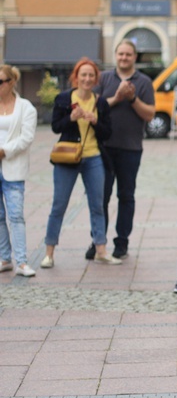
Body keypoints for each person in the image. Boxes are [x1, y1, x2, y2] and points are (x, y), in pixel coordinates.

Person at [42, 58, 121, 268]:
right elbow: (55, 127)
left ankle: (101, 250)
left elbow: (107, 133)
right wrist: (71, 118)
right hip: (67, 157)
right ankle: (49, 252)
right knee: (59, 205)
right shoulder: (63, 99)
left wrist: (95, 121)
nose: (87, 79)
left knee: (97, 205)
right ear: (75, 78)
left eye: (91, 75)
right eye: (83, 75)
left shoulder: (100, 102)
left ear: (96, 79)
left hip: (93, 157)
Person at [89, 39, 156, 260]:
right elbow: (94, 109)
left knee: (126, 196)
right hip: (103, 148)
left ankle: (122, 242)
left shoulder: (144, 82)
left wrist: (133, 98)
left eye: (128, 54)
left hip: (131, 148)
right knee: (101, 197)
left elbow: (150, 115)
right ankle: (98, 240)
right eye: (121, 54)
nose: (124, 58)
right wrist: (117, 98)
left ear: (134, 57)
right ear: (115, 55)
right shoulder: (103, 78)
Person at [0, 65, 37, 277]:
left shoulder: (26, 107)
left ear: (12, 82)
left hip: (13, 167)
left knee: (15, 215)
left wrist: (4, 151)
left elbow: (27, 138)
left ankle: (22, 261)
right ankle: (5, 258)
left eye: (1, 81)